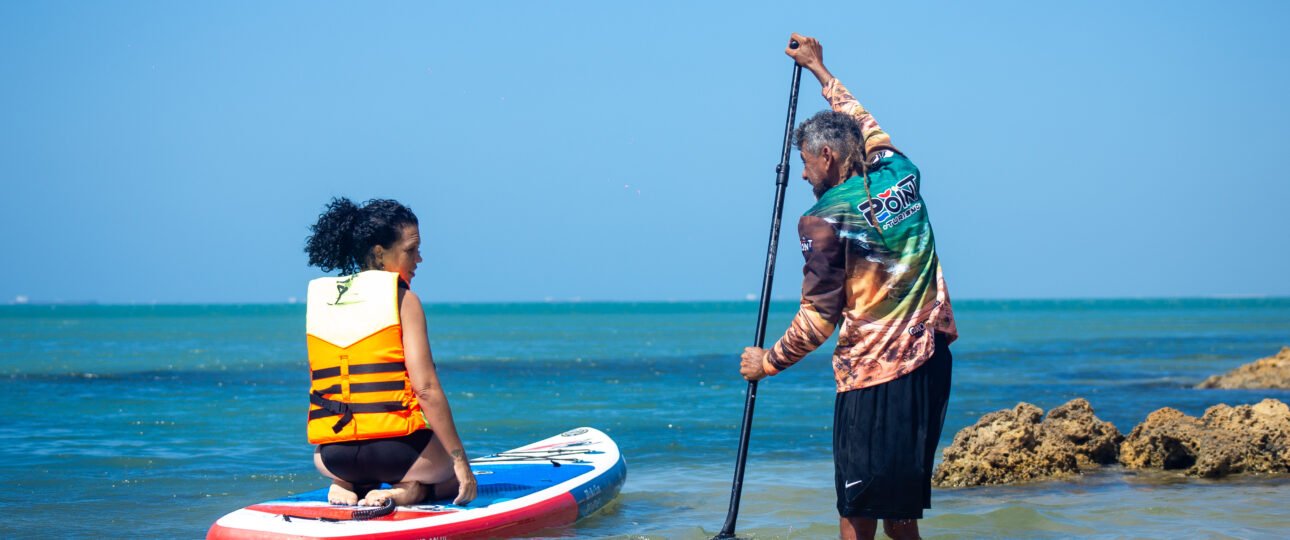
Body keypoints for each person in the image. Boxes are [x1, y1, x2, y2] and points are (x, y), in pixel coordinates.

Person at [738, 34, 958, 540]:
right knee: (900, 514)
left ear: (829, 157)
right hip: (930, 363)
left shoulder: (823, 219)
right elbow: (865, 121)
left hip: (873, 376)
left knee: (857, 514)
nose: (804, 176)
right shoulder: (901, 172)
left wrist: (767, 362)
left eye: (807, 164)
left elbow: (818, 319)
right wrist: (819, 69)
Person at [303, 197, 477, 508]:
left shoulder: (324, 300)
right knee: (450, 476)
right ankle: (411, 491)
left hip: (332, 456)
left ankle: (345, 485)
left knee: (356, 452)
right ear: (380, 253)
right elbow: (425, 389)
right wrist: (460, 461)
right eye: (411, 250)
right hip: (395, 454)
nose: (419, 259)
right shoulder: (403, 300)